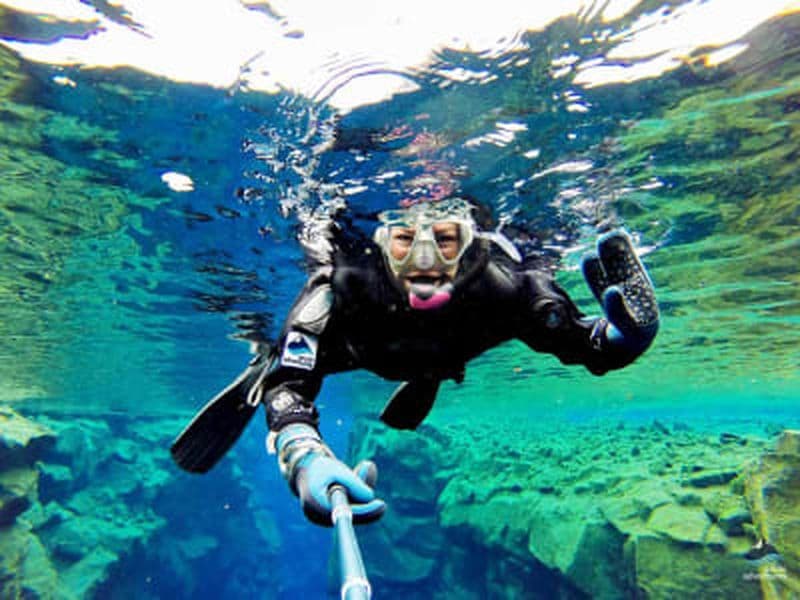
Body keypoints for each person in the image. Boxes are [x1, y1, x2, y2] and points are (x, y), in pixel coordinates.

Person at [171, 198, 660, 528]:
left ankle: (427, 373)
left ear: (471, 242)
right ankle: (263, 354)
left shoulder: (507, 288)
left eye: (445, 240)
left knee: (430, 361)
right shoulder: (339, 287)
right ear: (381, 242)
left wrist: (622, 340)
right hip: (351, 349)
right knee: (286, 360)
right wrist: (303, 457)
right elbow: (291, 389)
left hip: (435, 359)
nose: (424, 260)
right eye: (406, 240)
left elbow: (583, 342)